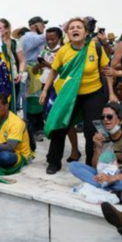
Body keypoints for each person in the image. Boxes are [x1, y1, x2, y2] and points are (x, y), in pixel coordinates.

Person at [40, 17, 118, 174]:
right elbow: (54, 71)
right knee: (59, 126)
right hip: (70, 95)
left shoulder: (95, 47)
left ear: (86, 32)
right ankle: (54, 162)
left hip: (94, 94)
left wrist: (111, 93)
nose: (75, 29)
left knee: (92, 130)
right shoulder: (64, 51)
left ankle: (90, 164)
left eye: (79, 27)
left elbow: (106, 71)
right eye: (72, 28)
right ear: (68, 33)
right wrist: (44, 90)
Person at [70, 103, 122, 202]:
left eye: (109, 117)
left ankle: (103, 187)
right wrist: (98, 147)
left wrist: (113, 178)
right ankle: (113, 190)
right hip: (105, 175)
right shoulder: (102, 136)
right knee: (74, 166)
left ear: (120, 120)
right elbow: (95, 167)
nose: (105, 119)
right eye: (103, 117)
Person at [35, 27, 81, 161]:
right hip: (46, 88)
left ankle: (74, 150)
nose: (49, 41)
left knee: (67, 120)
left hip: (61, 88)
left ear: (60, 38)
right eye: (47, 39)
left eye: (52, 39)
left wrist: (50, 66)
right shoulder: (44, 51)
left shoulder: (65, 51)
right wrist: (38, 66)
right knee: (50, 119)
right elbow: (35, 72)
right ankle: (54, 152)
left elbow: (65, 71)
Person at [0, 93, 31, 170]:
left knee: (5, 156)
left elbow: (10, 148)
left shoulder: (16, 122)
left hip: (16, 154)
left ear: (6, 106)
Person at [0, 19, 25, 116]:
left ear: (6, 29)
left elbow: (22, 61)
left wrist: (20, 73)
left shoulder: (14, 43)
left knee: (9, 103)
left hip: (11, 79)